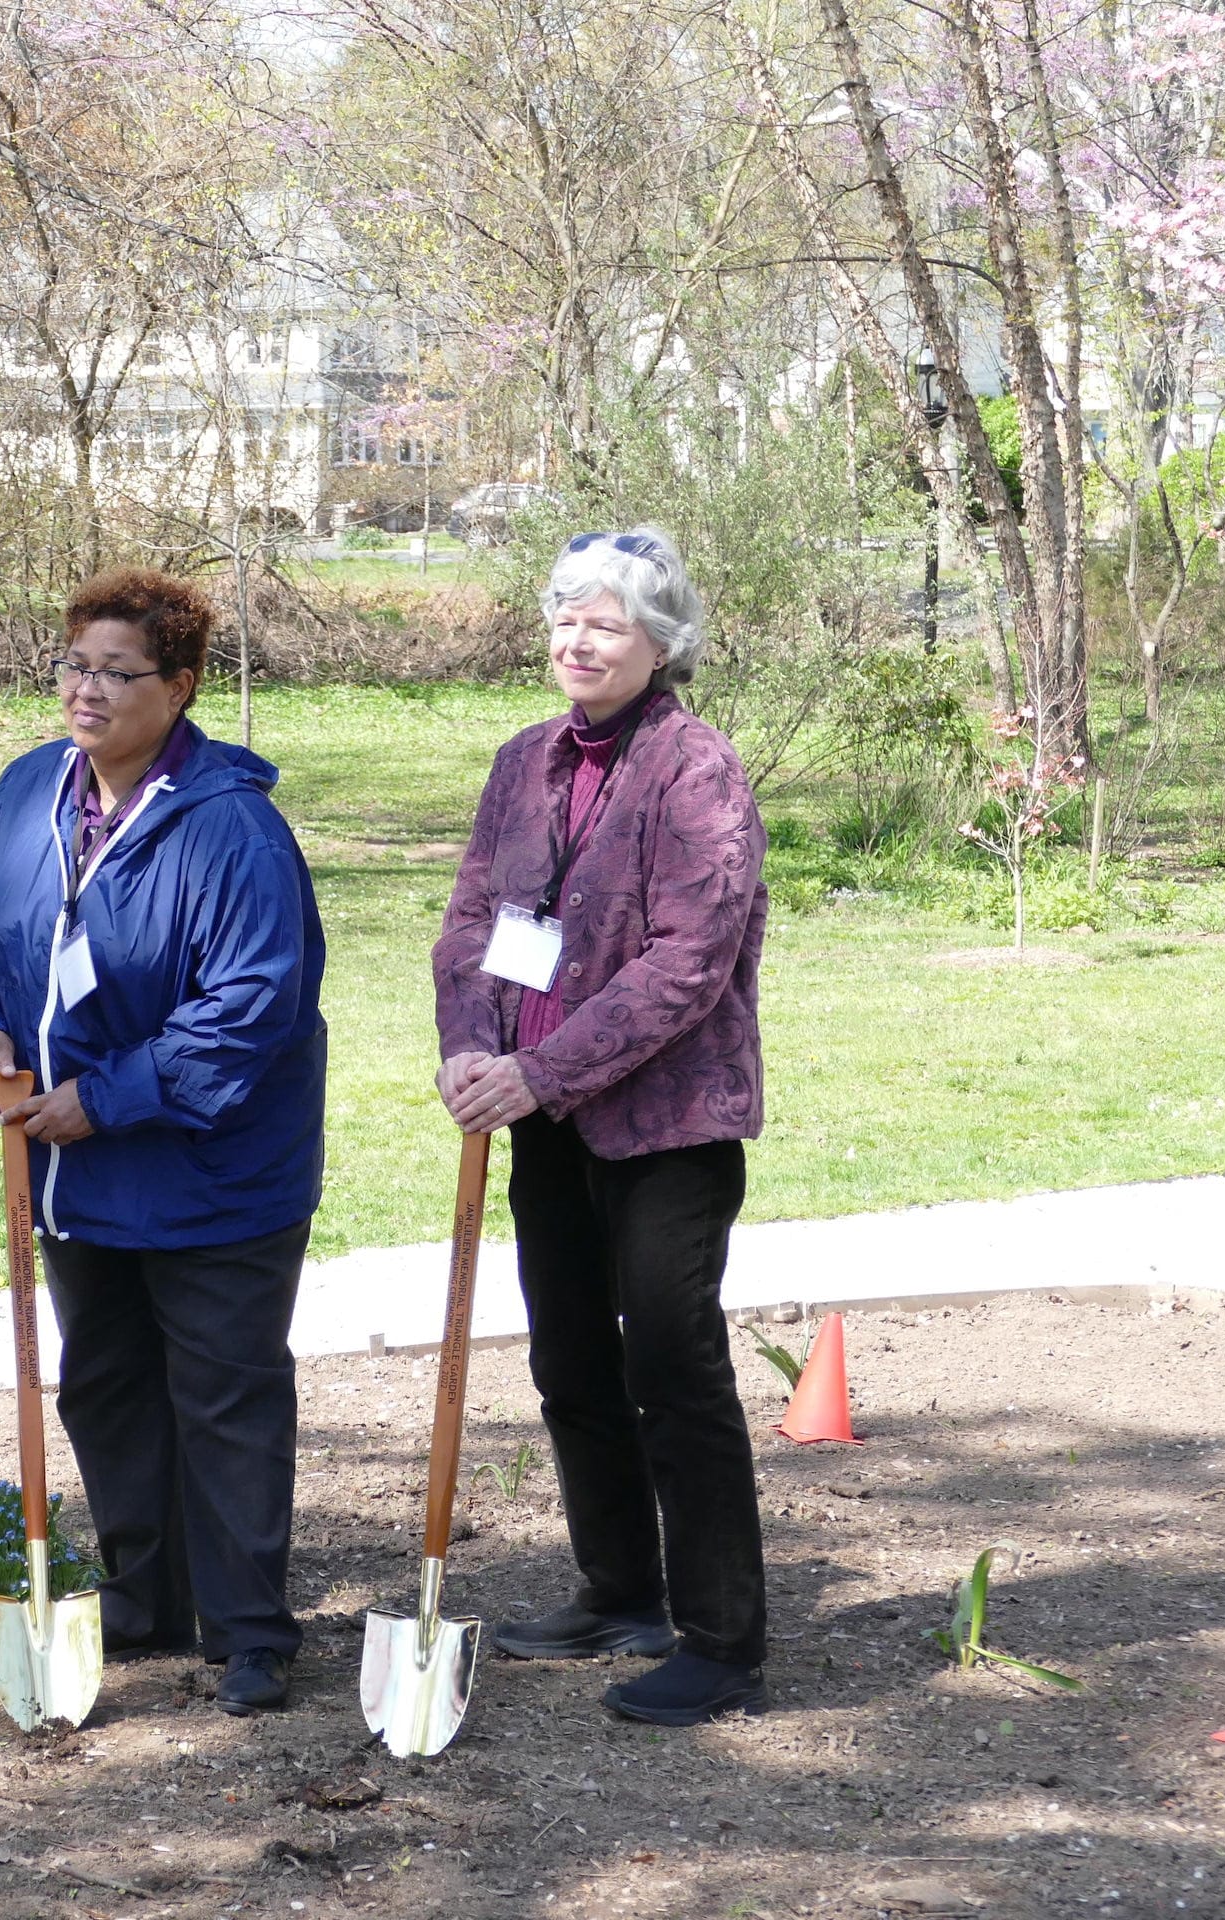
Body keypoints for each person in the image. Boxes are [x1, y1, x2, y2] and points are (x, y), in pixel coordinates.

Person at [0, 567, 327, 1717]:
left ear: (182, 687)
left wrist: (102, 1098)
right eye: (73, 665)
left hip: (210, 1175)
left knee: (222, 1393)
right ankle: (145, 1597)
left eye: (118, 672)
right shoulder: (29, 793)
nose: (87, 690)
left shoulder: (231, 829)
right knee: (106, 1386)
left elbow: (248, 1007)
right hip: (73, 1170)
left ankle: (250, 1626)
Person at [430, 526, 770, 1728]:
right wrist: (470, 1047)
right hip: (540, 1114)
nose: (579, 639)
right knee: (569, 1356)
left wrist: (542, 1070)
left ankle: (722, 1640)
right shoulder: (523, 762)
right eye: (566, 616)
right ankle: (618, 1589)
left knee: (672, 1366)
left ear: (660, 641)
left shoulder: (696, 769)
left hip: (669, 1123)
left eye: (607, 622)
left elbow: (688, 965)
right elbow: (475, 917)